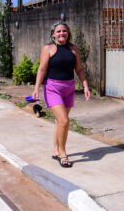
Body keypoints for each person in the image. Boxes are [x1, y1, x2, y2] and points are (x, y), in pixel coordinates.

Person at [32, 21, 90, 168]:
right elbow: (42, 69)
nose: (61, 33)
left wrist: (85, 86)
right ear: (53, 34)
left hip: (69, 88)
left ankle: (55, 150)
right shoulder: (49, 48)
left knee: (60, 121)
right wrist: (36, 88)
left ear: (68, 32)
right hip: (52, 88)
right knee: (64, 121)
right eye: (58, 31)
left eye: (64, 31)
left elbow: (80, 69)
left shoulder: (73, 49)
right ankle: (63, 154)